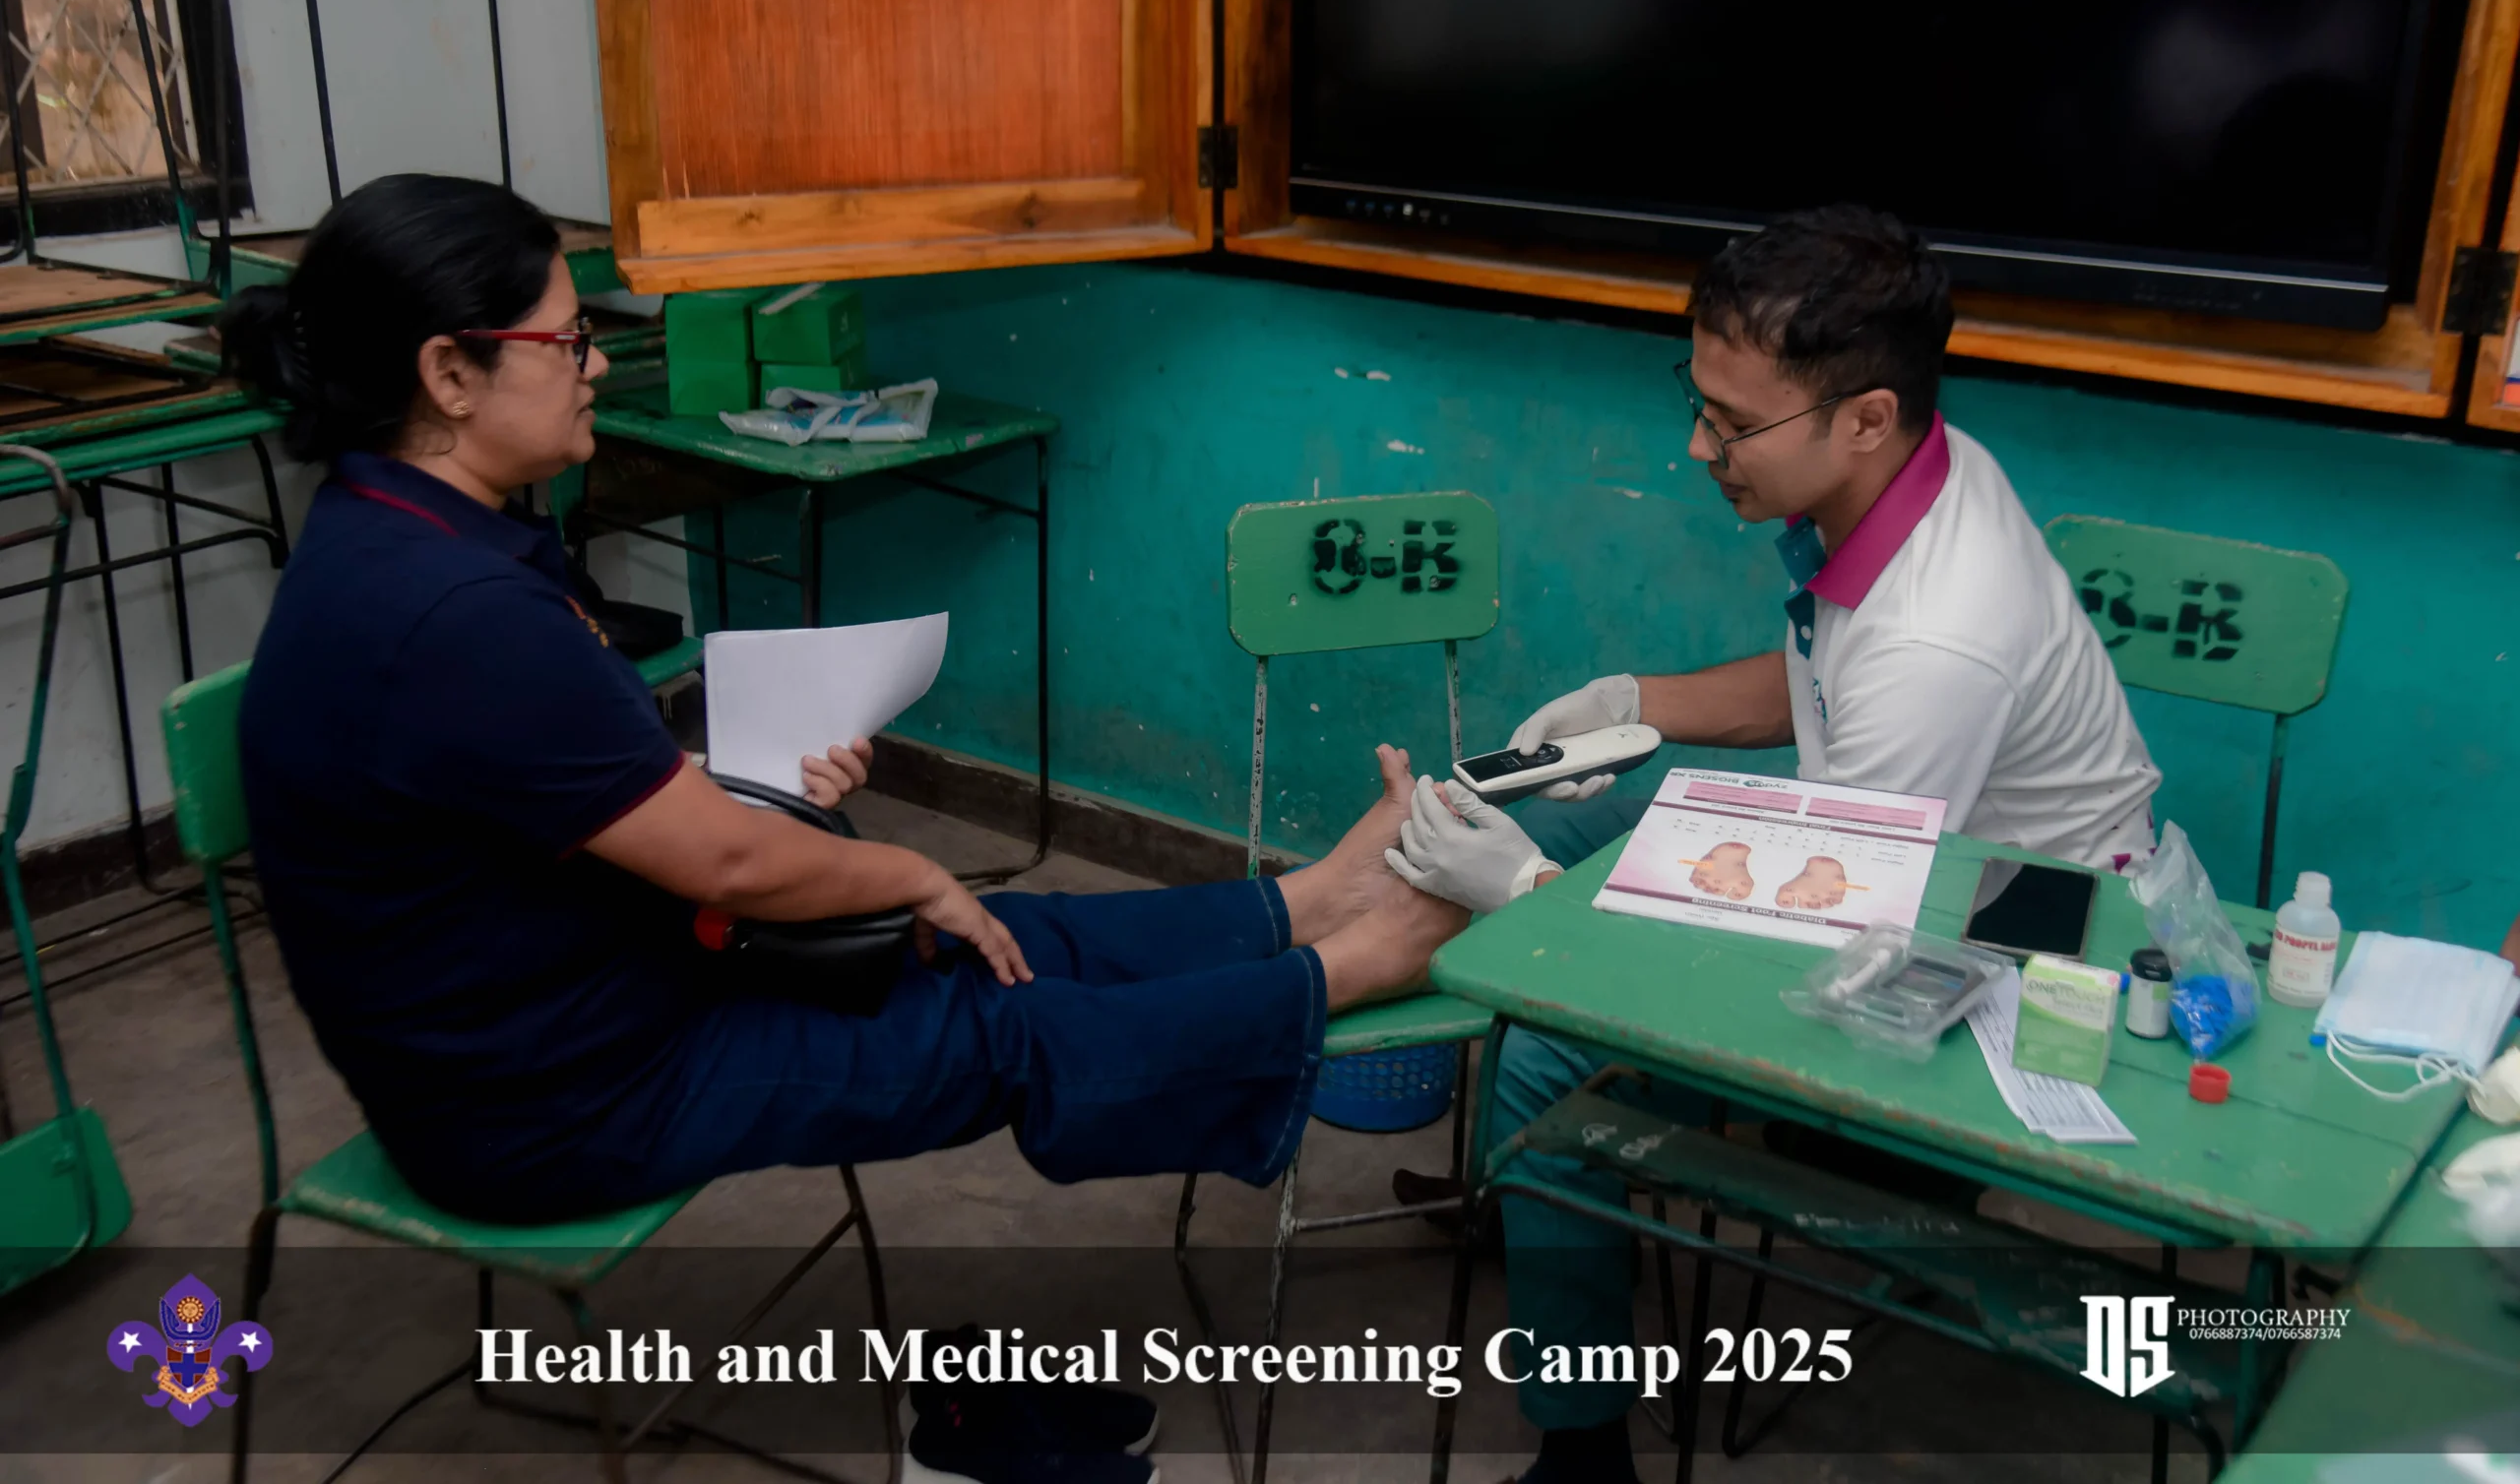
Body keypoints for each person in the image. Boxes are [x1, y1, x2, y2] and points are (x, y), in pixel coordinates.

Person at [228, 173, 1467, 1248]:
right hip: (555, 1098)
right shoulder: (451, 610)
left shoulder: (405, 537)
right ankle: (1345, 970)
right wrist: (904, 870)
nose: (595, 363)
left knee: (999, 933)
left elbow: (547, 796)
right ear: (450, 372)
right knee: (999, 1023)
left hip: (599, 991)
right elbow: (718, 860)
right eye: (567, 339)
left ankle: (1308, 904)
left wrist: (771, 793)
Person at [1383, 206, 2161, 1484]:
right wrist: (1635, 700)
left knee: (1542, 1055)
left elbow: (1823, 936)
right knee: (1555, 816)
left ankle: (1582, 1455)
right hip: (1893, 841)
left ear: (1864, 416)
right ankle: (1545, 1209)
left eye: (1732, 424)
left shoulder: (1940, 634)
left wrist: (1527, 893)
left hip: (2005, 948)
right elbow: (1829, 689)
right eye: (1698, 404)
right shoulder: (1916, 470)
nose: (1699, 447)